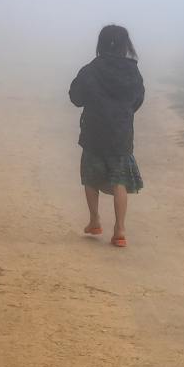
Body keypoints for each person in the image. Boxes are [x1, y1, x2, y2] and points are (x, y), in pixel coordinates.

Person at [68, 24, 145, 247]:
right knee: (119, 180)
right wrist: (122, 113)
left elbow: (76, 97)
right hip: (121, 134)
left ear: (101, 43)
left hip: (94, 132)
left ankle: (94, 221)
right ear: (125, 45)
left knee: (91, 177)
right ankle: (120, 230)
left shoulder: (91, 69)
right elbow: (138, 100)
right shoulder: (132, 70)